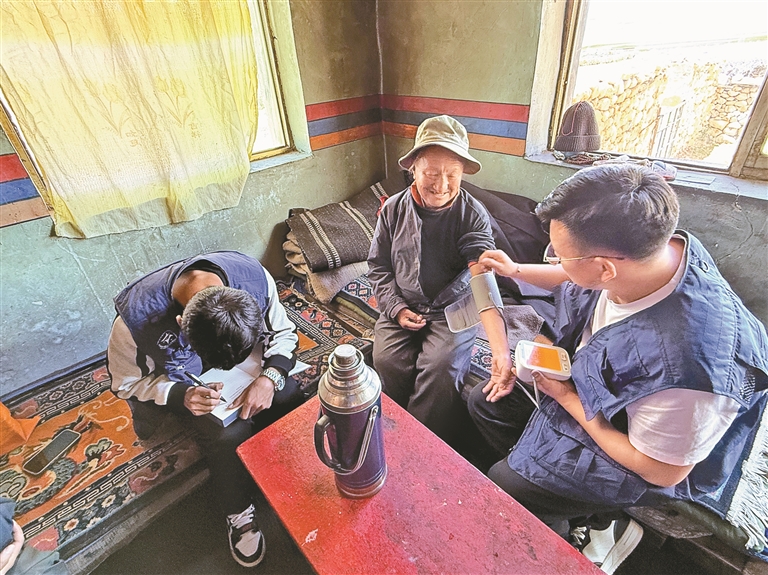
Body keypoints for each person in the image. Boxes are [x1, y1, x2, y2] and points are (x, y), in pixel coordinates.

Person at [468, 164, 768, 574]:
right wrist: (516, 270)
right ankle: (568, 500)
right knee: (485, 402)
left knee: (508, 483)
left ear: (605, 269)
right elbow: (575, 273)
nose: (555, 259)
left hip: (647, 450)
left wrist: (566, 398)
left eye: (559, 253)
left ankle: (586, 528)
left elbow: (661, 470)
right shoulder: (657, 249)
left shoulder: (690, 370)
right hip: (601, 388)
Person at [107, 251, 303, 568]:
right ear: (181, 325)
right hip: (184, 384)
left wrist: (270, 377)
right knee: (227, 433)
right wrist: (180, 395)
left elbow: (282, 332)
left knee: (288, 394)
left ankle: (294, 470)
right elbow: (125, 382)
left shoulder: (254, 279)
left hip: (250, 373)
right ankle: (238, 512)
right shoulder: (133, 323)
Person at [368, 115, 512, 444]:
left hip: (453, 308)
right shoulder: (393, 210)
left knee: (443, 366)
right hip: (402, 302)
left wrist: (501, 352)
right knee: (386, 359)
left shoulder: (472, 214)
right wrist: (396, 307)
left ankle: (422, 443)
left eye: (452, 175)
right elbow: (378, 266)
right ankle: (392, 430)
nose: (442, 185)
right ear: (414, 169)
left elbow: (482, 279)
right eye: (431, 173)